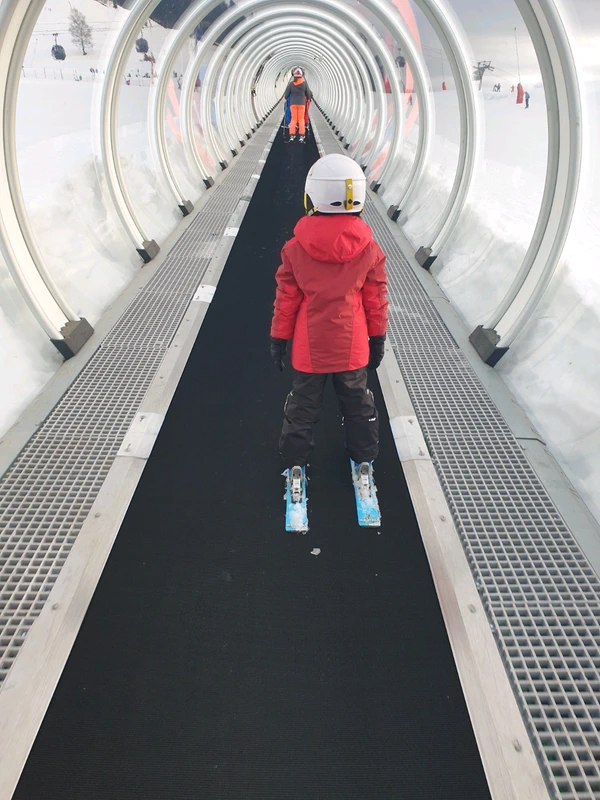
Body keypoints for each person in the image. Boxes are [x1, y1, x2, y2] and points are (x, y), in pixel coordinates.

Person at [270, 154, 388, 480]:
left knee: (303, 406)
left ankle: (295, 463)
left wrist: (279, 338)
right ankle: (364, 461)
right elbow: (376, 300)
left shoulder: (295, 249)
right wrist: (377, 337)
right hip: (352, 346)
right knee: (358, 405)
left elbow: (286, 300)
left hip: (310, 348)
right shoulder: (370, 249)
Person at [284, 67, 312, 143]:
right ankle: (301, 136)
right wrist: (308, 98)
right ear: (302, 75)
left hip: (293, 104)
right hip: (302, 104)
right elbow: (308, 94)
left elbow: (286, 96)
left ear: (294, 75)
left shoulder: (291, 84)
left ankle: (292, 135)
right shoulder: (304, 84)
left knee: (293, 119)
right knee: (301, 119)